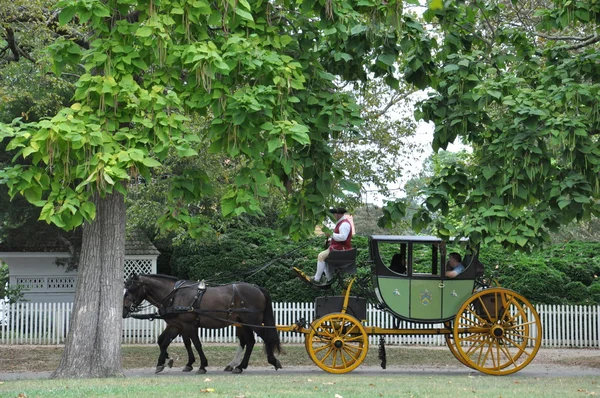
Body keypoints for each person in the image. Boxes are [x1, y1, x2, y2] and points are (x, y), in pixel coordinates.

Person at [311, 207, 353, 284]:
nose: (332, 216)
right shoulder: (341, 222)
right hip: (337, 248)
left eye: (333, 215)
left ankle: (317, 279)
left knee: (321, 256)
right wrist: (331, 239)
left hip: (341, 249)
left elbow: (343, 237)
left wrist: (331, 234)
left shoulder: (344, 224)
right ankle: (329, 278)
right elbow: (338, 236)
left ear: (338, 214)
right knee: (325, 259)